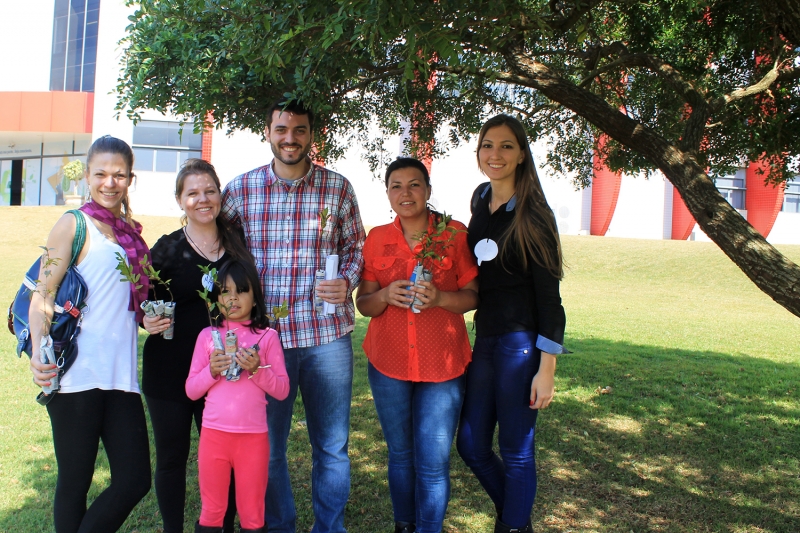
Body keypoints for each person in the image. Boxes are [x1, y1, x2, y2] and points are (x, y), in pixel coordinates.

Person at [221, 99, 365, 533]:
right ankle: (280, 526)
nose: (290, 138)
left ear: (311, 135)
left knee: (332, 448)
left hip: (327, 337)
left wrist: (348, 279)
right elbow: (218, 253)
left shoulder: (337, 188)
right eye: (282, 129)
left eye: (299, 130)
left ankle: (330, 529)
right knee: (267, 449)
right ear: (268, 132)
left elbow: (356, 247)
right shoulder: (241, 190)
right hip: (264, 341)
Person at [28, 135, 151, 533]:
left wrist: (151, 321)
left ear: (130, 178)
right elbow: (43, 294)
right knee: (75, 483)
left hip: (120, 377)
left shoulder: (130, 234)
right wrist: (38, 350)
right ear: (86, 175)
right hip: (76, 376)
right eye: (101, 174)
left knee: (135, 480)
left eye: (119, 175)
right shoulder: (73, 224)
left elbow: (127, 303)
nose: (109, 183)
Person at [455, 114, 569, 533]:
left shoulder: (535, 214)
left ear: (522, 154)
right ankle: (518, 521)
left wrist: (547, 368)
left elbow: (550, 300)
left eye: (506, 146)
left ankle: (513, 526)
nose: (495, 154)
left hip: (520, 346)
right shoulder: (480, 198)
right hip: (485, 339)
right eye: (488, 145)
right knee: (471, 445)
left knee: (517, 451)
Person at [355, 157, 479, 533]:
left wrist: (440, 298)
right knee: (400, 454)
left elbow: (474, 295)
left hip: (441, 366)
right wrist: (384, 295)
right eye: (396, 185)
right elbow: (364, 304)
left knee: (433, 462)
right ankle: (404, 526)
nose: (405, 193)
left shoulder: (454, 233)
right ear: (387, 193)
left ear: (427, 190)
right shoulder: (377, 238)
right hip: (388, 362)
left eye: (414, 184)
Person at [142, 159, 250, 533]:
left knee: (224, 459)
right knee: (172, 458)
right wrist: (145, 320)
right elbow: (139, 300)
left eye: (210, 191)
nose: (203, 199)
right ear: (180, 200)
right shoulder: (166, 249)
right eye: (193, 193)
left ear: (220, 195)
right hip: (169, 371)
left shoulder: (238, 244)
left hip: (221, 372)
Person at [186, 258, 290, 533]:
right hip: (214, 437)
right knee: (212, 511)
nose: (233, 298)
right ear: (216, 298)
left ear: (255, 298)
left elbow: (282, 390)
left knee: (252, 513)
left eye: (241, 291)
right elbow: (191, 390)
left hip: (253, 439)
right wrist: (211, 371)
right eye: (225, 291)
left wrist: (257, 370)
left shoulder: (267, 337)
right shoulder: (208, 336)